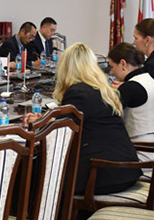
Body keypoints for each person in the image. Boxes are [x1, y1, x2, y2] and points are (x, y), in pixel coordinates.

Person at [24, 43, 140, 195]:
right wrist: (46, 120)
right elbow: (74, 121)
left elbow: (60, 133)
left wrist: (38, 123)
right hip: (124, 169)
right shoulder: (102, 90)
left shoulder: (78, 92)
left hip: (103, 173)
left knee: (35, 174)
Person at [107, 43, 154, 140]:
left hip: (139, 144)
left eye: (112, 67)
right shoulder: (150, 79)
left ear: (123, 64)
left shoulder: (130, 87)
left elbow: (108, 114)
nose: (111, 73)